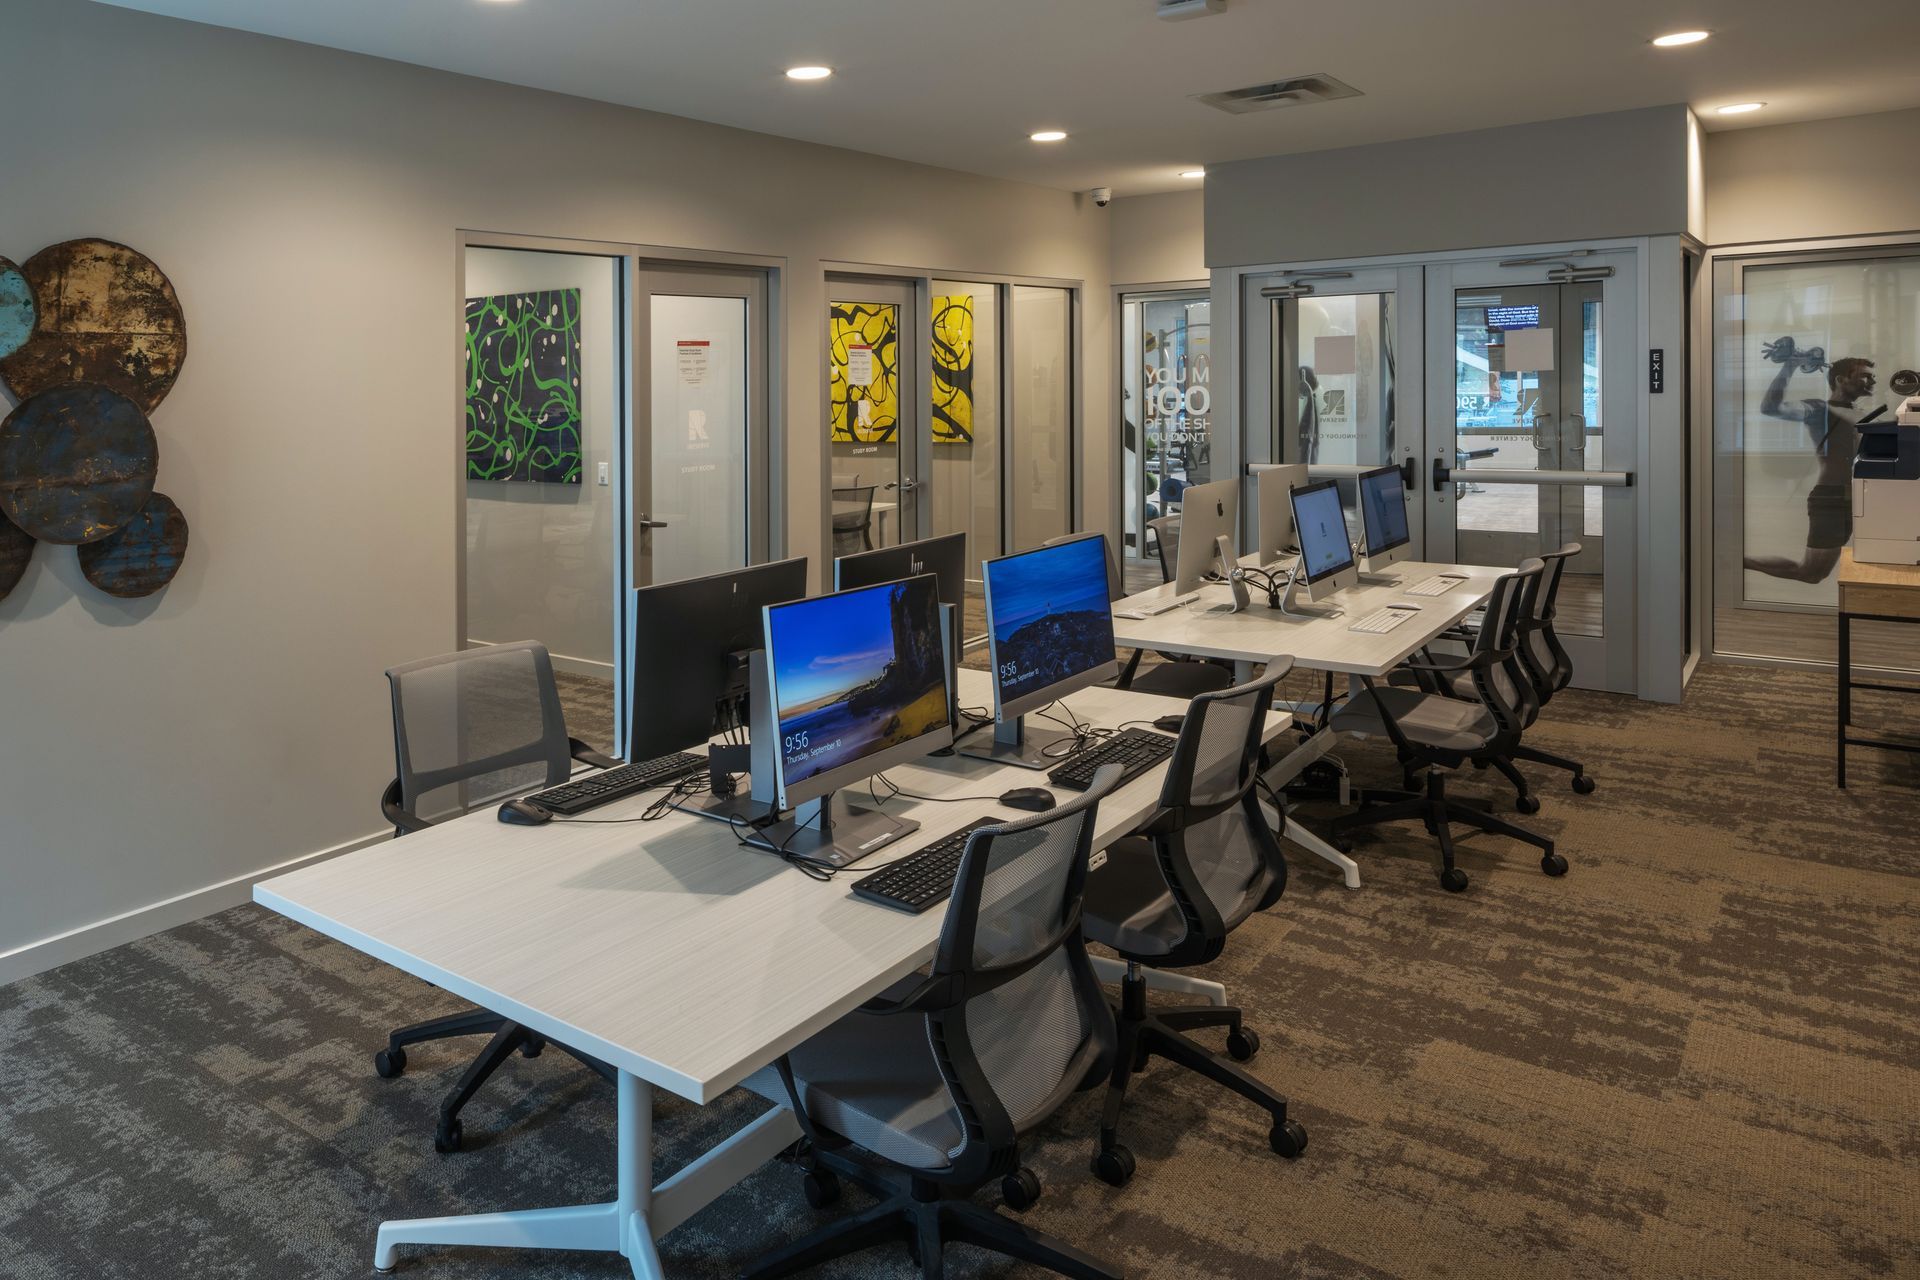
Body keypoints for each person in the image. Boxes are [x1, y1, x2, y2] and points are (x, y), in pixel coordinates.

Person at [1743, 343, 1876, 584]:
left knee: (1828, 570)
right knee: (1811, 573)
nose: (1872, 381)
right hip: (1832, 498)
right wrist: (1789, 367)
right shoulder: (1818, 409)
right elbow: (1771, 408)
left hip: (1859, 498)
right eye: (1865, 376)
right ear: (1841, 380)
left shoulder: (1863, 413)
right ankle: (1736, 560)